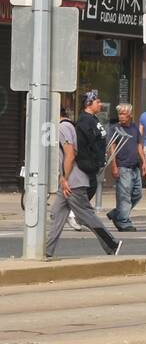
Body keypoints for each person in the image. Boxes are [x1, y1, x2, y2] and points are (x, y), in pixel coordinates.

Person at [46, 92, 122, 257]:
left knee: (85, 215)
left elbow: (71, 154)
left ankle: (112, 244)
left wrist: (64, 178)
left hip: (74, 181)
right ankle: (47, 251)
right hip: (68, 180)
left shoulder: (63, 127)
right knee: (57, 215)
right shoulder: (70, 125)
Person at [107, 103, 145, 232]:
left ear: (130, 115)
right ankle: (123, 222)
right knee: (124, 196)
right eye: (119, 114)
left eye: (123, 114)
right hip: (122, 166)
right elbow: (111, 148)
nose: (121, 116)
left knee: (137, 194)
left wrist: (144, 162)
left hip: (135, 166)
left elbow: (139, 145)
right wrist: (114, 166)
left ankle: (117, 213)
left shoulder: (134, 128)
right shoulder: (115, 128)